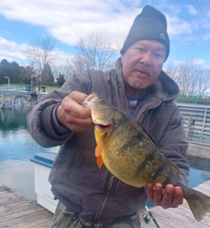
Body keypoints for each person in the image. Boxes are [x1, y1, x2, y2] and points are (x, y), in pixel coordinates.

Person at [27, 5, 189, 228]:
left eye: (158, 54)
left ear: (162, 64)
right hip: (71, 215)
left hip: (125, 220)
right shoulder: (88, 82)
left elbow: (177, 163)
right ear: (123, 54)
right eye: (140, 48)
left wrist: (175, 191)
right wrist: (58, 116)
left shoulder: (170, 113)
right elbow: (39, 119)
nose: (147, 59)